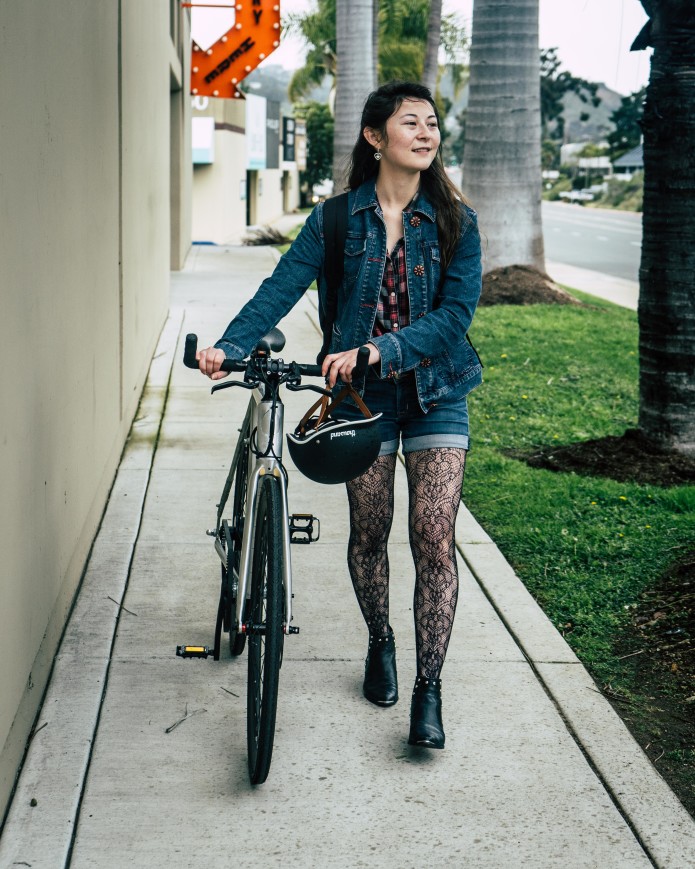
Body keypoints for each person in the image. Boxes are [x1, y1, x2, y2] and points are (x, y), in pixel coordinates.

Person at [197, 81, 482, 750]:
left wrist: (380, 347)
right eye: (409, 122)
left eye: (432, 123)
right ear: (375, 137)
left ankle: (427, 689)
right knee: (369, 533)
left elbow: (454, 318)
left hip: (435, 391)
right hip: (360, 400)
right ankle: (379, 642)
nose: (425, 132)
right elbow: (280, 287)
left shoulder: (454, 222)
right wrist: (230, 347)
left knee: (433, 536)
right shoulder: (333, 220)